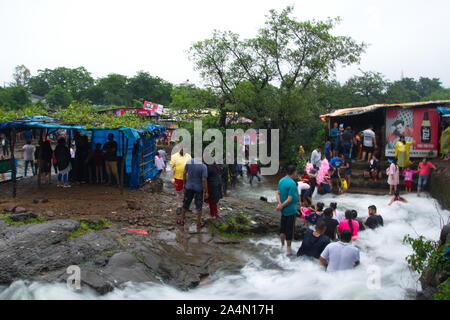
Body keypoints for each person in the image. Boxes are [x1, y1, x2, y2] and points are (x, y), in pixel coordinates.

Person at [178, 155, 208, 230]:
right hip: (198, 188)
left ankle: (182, 220)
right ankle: (198, 223)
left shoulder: (189, 162)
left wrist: (184, 184)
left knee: (186, 203)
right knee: (199, 206)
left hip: (189, 186)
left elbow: (184, 173)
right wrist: (206, 191)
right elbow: (204, 180)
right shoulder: (203, 166)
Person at [276, 165, 299, 256]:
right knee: (289, 229)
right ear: (293, 172)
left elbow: (277, 193)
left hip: (283, 210)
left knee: (283, 228)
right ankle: (289, 248)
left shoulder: (281, 180)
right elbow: (289, 199)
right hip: (291, 210)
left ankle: (282, 245)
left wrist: (279, 204)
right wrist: (281, 206)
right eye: (295, 172)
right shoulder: (292, 183)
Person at [170, 148, 192, 212]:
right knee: (179, 192)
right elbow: (172, 168)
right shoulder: (174, 156)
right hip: (178, 178)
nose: (183, 151)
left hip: (187, 178)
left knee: (187, 192)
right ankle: (179, 206)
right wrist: (172, 178)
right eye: (182, 149)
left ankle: (186, 206)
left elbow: (191, 166)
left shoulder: (189, 156)